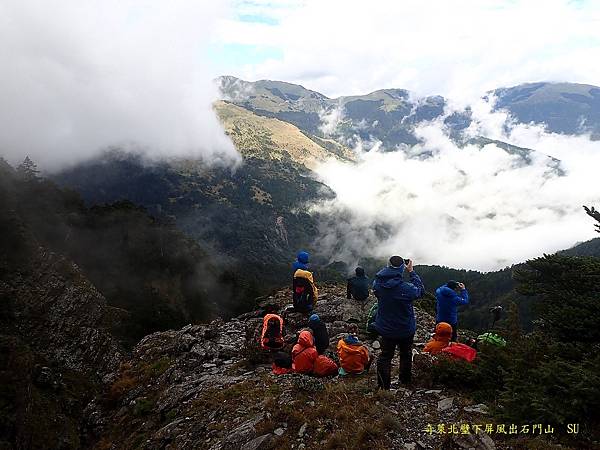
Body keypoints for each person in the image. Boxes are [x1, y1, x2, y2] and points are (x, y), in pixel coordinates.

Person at [373, 256, 425, 389]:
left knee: (385, 356)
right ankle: (405, 380)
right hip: (405, 328)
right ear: (402, 269)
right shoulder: (407, 289)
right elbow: (420, 291)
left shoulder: (378, 285)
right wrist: (411, 272)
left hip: (386, 328)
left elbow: (380, 281)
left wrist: (391, 269)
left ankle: (383, 387)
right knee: (406, 354)